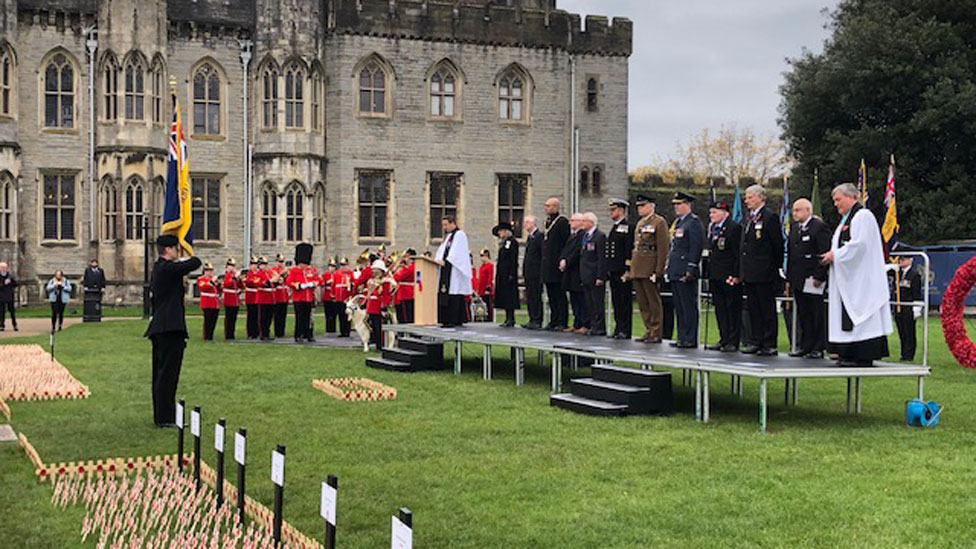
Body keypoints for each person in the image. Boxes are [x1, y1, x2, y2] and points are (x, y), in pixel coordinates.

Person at [821, 183, 893, 366]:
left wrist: (835, 255)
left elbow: (859, 245)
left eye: (838, 200)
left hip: (862, 280)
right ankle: (848, 352)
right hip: (848, 278)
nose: (836, 204)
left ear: (851, 197)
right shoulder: (845, 221)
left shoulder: (863, 216)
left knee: (862, 313)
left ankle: (863, 355)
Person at [144, 234, 201, 428]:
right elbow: (195, 263)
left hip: (162, 327)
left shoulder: (159, 269)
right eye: (176, 249)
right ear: (168, 249)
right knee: (167, 375)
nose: (178, 252)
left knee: (161, 374)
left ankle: (162, 416)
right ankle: (166, 418)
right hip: (169, 328)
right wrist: (188, 252)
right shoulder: (166, 268)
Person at [739, 184, 784, 356]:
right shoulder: (749, 218)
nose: (747, 200)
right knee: (754, 309)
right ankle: (756, 340)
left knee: (767, 309)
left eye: (750, 197)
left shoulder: (769, 217)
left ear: (760, 197)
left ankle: (769, 342)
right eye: (747, 197)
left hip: (765, 272)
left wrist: (773, 267)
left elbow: (777, 245)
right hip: (750, 272)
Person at [786, 198, 831, 359]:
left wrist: (819, 275)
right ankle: (805, 345)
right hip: (798, 277)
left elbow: (824, 251)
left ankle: (818, 347)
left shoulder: (819, 227)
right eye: (794, 210)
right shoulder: (794, 228)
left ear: (807, 210)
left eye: (798, 210)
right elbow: (792, 253)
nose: (795, 213)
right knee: (803, 313)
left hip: (813, 278)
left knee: (816, 312)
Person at [624, 194, 669, 343]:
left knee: (653, 301)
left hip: (650, 266)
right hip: (638, 265)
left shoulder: (659, 222)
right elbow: (635, 246)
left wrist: (659, 270)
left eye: (642, 206)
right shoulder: (640, 223)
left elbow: (663, 248)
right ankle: (648, 329)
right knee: (642, 302)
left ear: (651, 206)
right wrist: (631, 268)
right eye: (638, 206)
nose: (639, 209)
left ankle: (656, 331)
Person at [666, 192, 704, 348]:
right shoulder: (679, 223)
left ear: (688, 205)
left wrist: (691, 267)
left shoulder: (693, 223)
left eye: (679, 204)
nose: (676, 207)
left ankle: (690, 337)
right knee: (679, 306)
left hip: (685, 269)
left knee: (688, 306)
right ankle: (682, 336)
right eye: (675, 204)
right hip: (676, 269)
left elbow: (695, 247)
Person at [703, 202, 742, 352]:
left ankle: (733, 340)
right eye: (711, 212)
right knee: (720, 309)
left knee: (731, 308)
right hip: (715, 274)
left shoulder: (733, 228)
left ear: (725, 213)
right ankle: (723, 338)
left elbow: (737, 253)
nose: (711, 215)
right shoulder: (713, 228)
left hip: (729, 275)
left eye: (714, 212)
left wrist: (736, 274)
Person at [434, 215, 473, 327]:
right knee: (445, 292)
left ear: (452, 223)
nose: (444, 227)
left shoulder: (460, 235)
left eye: (446, 225)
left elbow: (457, 252)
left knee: (454, 293)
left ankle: (454, 319)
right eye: (443, 225)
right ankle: (445, 319)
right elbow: (442, 250)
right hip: (445, 268)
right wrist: (438, 259)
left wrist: (446, 260)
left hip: (454, 270)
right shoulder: (448, 236)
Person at [605, 199, 634, 340]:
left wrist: (628, 268)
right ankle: (618, 327)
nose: (611, 213)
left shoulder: (627, 227)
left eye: (614, 210)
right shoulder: (615, 228)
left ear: (621, 211)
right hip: (614, 270)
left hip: (622, 270)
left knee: (624, 300)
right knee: (616, 301)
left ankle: (625, 329)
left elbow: (628, 249)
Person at [542, 197, 571, 331]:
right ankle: (553, 320)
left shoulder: (562, 222)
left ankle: (562, 320)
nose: (546, 208)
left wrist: (563, 258)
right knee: (551, 294)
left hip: (557, 264)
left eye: (548, 206)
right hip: (548, 265)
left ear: (555, 207)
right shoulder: (547, 222)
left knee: (559, 294)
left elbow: (566, 242)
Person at [889, 253, 923, 361]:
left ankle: (909, 355)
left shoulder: (914, 275)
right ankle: (903, 353)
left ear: (910, 260)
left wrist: (916, 308)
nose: (901, 261)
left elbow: (916, 292)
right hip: (899, 306)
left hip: (908, 307)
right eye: (900, 260)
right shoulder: (897, 273)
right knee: (901, 331)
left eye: (903, 259)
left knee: (909, 332)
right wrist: (891, 266)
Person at [579, 212, 608, 336]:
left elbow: (602, 258)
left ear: (591, 222)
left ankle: (599, 327)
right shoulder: (585, 236)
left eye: (584, 221)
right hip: (586, 275)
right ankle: (593, 325)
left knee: (597, 302)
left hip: (595, 275)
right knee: (589, 302)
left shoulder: (599, 236)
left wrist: (600, 276)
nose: (582, 223)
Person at [560, 213, 588, 333]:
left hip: (577, 271)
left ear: (580, 222)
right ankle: (577, 323)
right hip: (570, 272)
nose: (570, 223)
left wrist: (567, 261)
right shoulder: (572, 236)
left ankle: (584, 323)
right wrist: (562, 259)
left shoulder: (582, 235)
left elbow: (577, 252)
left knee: (581, 299)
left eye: (573, 220)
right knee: (574, 299)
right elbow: (566, 250)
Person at [287, 243, 317, 343]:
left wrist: (313, 283)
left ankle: (308, 335)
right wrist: (299, 285)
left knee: (308, 318)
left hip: (309, 297)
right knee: (299, 318)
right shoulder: (294, 271)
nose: (304, 265)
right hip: (298, 298)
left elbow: (318, 280)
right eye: (303, 263)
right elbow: (289, 282)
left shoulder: (311, 270)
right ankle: (298, 335)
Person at [492, 222, 520, 328]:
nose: (499, 234)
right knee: (504, 296)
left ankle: (511, 318)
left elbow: (513, 259)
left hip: (509, 272)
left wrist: (512, 273)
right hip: (502, 273)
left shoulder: (512, 242)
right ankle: (507, 317)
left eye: (501, 231)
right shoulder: (504, 243)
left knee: (509, 297)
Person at [364, 259, 397, 348]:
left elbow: (386, 295)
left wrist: (384, 307)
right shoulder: (371, 281)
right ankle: (376, 342)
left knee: (379, 327)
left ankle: (381, 345)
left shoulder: (385, 281)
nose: (373, 271)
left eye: (375, 269)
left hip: (379, 306)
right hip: (372, 305)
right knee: (373, 326)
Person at [522, 216, 544, 330]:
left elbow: (541, 255)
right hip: (529, 272)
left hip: (536, 272)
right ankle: (532, 318)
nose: (524, 224)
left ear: (533, 223)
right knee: (530, 296)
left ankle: (537, 319)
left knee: (536, 296)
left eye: (527, 222)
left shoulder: (539, 236)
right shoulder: (530, 237)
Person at [392, 250, 417, 324]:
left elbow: (397, 277)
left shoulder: (410, 268)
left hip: (406, 293)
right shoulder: (411, 267)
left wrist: (396, 270)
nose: (404, 259)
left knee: (406, 316)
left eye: (406, 257)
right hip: (408, 292)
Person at [197, 263, 220, 341]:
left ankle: (211, 335)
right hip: (207, 302)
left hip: (214, 303)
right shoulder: (201, 279)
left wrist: (218, 284)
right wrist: (212, 281)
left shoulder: (212, 279)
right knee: (208, 321)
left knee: (213, 320)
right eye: (207, 271)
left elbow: (218, 290)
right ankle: (207, 337)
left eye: (210, 271)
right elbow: (203, 287)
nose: (209, 273)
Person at [221, 258, 242, 340]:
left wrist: (239, 279)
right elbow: (228, 284)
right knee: (229, 318)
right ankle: (228, 335)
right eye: (230, 266)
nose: (232, 268)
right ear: (227, 266)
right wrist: (235, 277)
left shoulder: (234, 275)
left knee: (234, 318)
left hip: (235, 299)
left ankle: (232, 334)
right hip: (229, 298)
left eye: (233, 266)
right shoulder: (225, 275)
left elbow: (241, 286)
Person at [333, 258, 354, 337]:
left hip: (347, 297)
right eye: (342, 265)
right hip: (339, 297)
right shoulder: (336, 273)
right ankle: (342, 331)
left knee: (347, 314)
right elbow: (334, 285)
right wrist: (333, 295)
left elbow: (353, 284)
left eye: (344, 265)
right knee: (341, 315)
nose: (343, 267)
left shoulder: (350, 273)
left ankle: (347, 331)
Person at [271, 254, 289, 338]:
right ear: (276, 262)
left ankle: (282, 332)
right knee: (277, 315)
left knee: (283, 315)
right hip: (277, 294)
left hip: (284, 294)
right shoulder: (273, 270)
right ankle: (277, 332)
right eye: (279, 262)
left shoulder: (286, 270)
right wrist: (281, 275)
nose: (281, 263)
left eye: (282, 262)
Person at [243, 257, 259, 339]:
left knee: (257, 315)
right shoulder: (248, 273)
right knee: (251, 315)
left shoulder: (259, 273)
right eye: (253, 264)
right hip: (250, 296)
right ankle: (251, 333)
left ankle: (257, 332)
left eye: (256, 264)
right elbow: (249, 282)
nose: (254, 266)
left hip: (258, 296)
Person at [321, 257, 339, 332]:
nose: (332, 268)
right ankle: (328, 329)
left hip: (334, 296)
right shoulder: (325, 275)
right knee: (328, 314)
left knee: (334, 314)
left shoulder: (337, 275)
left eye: (333, 266)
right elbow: (322, 284)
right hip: (327, 296)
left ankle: (333, 329)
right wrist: (327, 282)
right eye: (331, 266)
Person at [477, 249, 495, 321]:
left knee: (488, 304)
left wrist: (488, 288)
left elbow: (490, 277)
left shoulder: (490, 265)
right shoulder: (482, 266)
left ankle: (490, 318)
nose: (481, 258)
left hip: (486, 289)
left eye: (482, 256)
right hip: (481, 288)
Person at [0, 261, 17, 331]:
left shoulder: (10, 276)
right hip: (1, 297)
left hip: (10, 296)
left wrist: (12, 281)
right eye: (2, 267)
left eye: (5, 267)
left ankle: (14, 325)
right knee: (1, 312)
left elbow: (16, 284)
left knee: (12, 311)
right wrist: (4, 283)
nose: (4, 269)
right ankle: (1, 325)